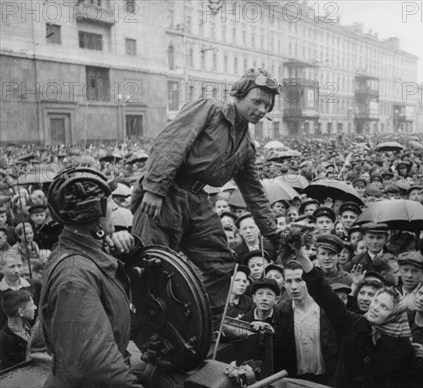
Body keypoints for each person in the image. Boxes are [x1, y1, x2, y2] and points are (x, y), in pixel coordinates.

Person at [131, 68, 282, 323]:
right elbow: (171, 142)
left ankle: (203, 324)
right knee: (148, 264)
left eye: (267, 105)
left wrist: (271, 231)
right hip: (166, 193)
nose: (261, 109)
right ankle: (150, 330)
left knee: (221, 264)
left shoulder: (246, 144)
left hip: (197, 199)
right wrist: (154, 188)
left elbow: (253, 190)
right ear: (239, 95)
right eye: (256, 101)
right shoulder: (210, 109)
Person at [39, 167, 142, 387]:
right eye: (109, 202)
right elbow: (96, 369)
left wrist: (123, 249)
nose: (114, 207)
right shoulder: (75, 277)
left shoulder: (82, 251)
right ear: (92, 213)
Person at [294, 246, 418, 388]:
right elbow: (328, 299)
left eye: (384, 307)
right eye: (376, 301)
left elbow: (408, 381)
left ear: (394, 315)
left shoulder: (402, 345)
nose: (375, 308)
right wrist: (304, 259)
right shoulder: (355, 324)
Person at [273, 261, 339, 384]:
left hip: (326, 379)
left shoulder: (325, 308)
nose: (293, 286)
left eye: (299, 280)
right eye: (289, 281)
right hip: (295, 379)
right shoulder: (281, 310)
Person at [0, 289, 36, 370]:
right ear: (21, 312)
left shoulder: (25, 324)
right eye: (32, 305)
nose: (35, 307)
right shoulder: (3, 341)